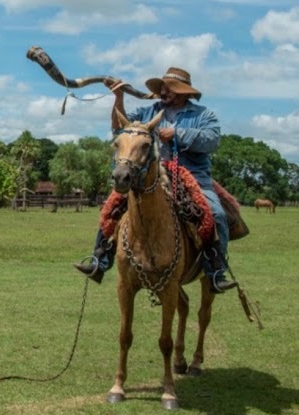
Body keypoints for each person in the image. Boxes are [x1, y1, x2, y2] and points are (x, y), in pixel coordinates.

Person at [72, 67, 238, 293]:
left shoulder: (203, 115)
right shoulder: (147, 111)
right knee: (112, 206)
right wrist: (118, 97)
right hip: (150, 174)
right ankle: (99, 260)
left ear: (182, 92)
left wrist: (178, 133)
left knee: (216, 214)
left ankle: (216, 270)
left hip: (192, 175)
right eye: (161, 87)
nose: (162, 91)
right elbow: (120, 128)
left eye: (168, 88)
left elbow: (212, 141)